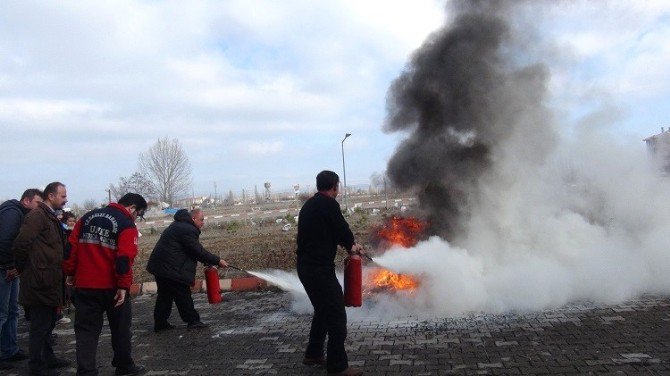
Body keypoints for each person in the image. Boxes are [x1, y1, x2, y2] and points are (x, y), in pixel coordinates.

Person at [63, 193, 147, 376]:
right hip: (112, 287)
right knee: (121, 328)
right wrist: (123, 286)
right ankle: (124, 366)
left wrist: (69, 273)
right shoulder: (126, 224)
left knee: (86, 331)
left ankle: (86, 371)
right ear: (132, 208)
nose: (136, 218)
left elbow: (70, 249)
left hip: (85, 285)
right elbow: (125, 259)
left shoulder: (86, 218)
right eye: (138, 214)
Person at [296, 170, 364, 376]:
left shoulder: (308, 205)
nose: (338, 190)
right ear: (335, 186)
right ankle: (338, 367)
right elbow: (342, 229)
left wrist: (347, 243)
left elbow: (328, 230)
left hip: (306, 268)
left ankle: (314, 353)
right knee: (336, 317)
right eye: (338, 186)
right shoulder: (329, 204)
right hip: (319, 270)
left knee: (323, 312)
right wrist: (352, 245)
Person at [13, 182, 71, 376]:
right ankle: (37, 366)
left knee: (48, 323)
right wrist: (24, 269)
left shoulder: (49, 216)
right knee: (40, 326)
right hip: (40, 280)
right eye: (62, 196)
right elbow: (21, 244)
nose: (65, 200)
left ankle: (49, 358)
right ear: (51, 196)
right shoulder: (37, 216)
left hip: (49, 278)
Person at [146, 208, 228, 332]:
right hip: (171, 269)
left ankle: (161, 323)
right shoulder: (187, 229)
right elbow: (197, 250)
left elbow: (189, 250)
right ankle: (193, 321)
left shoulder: (179, 225)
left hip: (161, 267)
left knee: (165, 295)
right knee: (182, 294)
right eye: (201, 220)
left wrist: (207, 262)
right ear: (193, 218)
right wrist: (217, 260)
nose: (203, 222)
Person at [0, 188, 44, 370]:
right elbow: (5, 241)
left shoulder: (21, 214)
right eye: (37, 203)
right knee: (2, 313)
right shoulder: (12, 213)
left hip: (10, 268)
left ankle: (10, 349)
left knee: (12, 311)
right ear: (26, 201)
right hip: (3, 268)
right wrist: (10, 265)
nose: (38, 208)